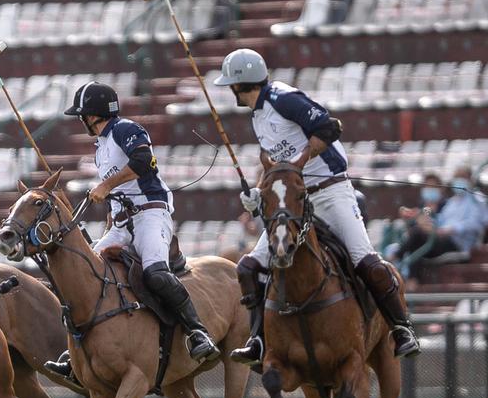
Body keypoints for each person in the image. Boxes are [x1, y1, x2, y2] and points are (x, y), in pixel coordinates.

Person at [213, 48, 421, 363]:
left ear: (240, 86)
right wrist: (260, 192)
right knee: (249, 268)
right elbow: (272, 162)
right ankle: (259, 339)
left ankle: (401, 327)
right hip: (295, 199)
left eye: (231, 86)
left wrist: (298, 163)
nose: (230, 92)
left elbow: (329, 128)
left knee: (365, 260)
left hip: (330, 191)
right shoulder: (258, 116)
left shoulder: (284, 99)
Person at [45, 82, 220, 380]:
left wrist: (105, 185)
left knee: (154, 272)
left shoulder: (126, 129)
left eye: (82, 115)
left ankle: (197, 332)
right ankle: (75, 353)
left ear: (93, 114)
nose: (80, 120)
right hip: (122, 223)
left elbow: (143, 162)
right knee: (81, 271)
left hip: (151, 212)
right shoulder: (100, 147)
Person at [394, 168, 487, 277]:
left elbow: (476, 224)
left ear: (470, 180)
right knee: (416, 238)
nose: (459, 181)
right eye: (457, 178)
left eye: (462, 177)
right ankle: (409, 279)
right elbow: (438, 220)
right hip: (440, 238)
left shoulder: (476, 200)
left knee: (417, 235)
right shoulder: (451, 203)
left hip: (457, 243)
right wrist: (424, 220)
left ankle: (395, 258)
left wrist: (450, 229)